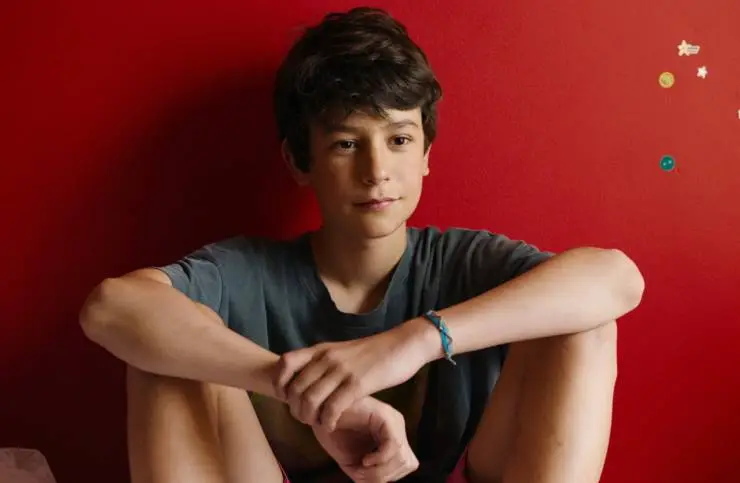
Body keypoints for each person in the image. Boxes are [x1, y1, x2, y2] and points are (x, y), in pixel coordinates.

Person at [79, 7, 644, 483]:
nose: (377, 171)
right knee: (164, 341)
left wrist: (415, 342)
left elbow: (618, 279)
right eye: (347, 144)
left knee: (581, 320)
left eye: (399, 140)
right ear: (300, 161)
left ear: (425, 155)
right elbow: (109, 307)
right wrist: (304, 389)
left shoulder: (462, 263)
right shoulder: (251, 272)